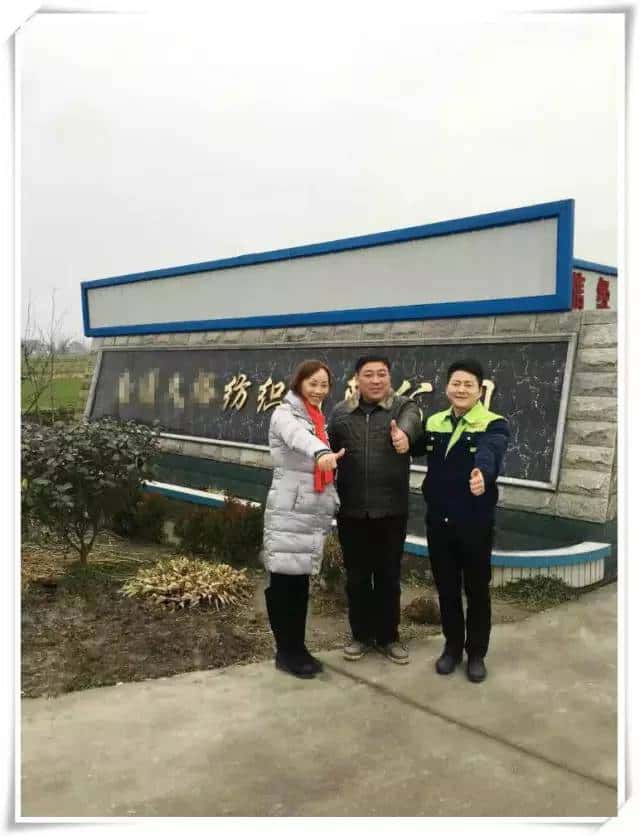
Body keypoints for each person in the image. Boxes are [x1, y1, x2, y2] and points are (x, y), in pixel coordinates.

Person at [411, 359, 510, 683]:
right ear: (447, 388)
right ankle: (452, 648)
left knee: (477, 590)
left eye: (469, 384)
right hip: (438, 520)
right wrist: (402, 440)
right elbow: (415, 447)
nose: (461, 389)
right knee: (447, 589)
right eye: (456, 383)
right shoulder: (435, 421)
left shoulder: (493, 423)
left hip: (474, 522)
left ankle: (476, 653)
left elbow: (490, 451)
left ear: (480, 390)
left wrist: (483, 473)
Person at [328, 355, 422, 664]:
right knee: (356, 579)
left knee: (388, 578)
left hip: (390, 511)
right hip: (352, 511)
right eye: (369, 374)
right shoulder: (341, 413)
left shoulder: (403, 406)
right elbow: (327, 452)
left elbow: (412, 421)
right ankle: (361, 636)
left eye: (382, 373)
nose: (376, 380)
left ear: (389, 377)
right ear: (357, 379)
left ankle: (388, 637)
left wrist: (404, 436)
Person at [261, 360, 344, 679]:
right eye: (313, 383)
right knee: (284, 583)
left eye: (324, 385)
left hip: (307, 514)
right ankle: (286, 652)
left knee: (298, 585)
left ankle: (297, 648)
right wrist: (321, 453)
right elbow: (298, 439)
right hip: (289, 512)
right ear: (299, 384)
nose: (319, 390)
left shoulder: (316, 418)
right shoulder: (285, 415)